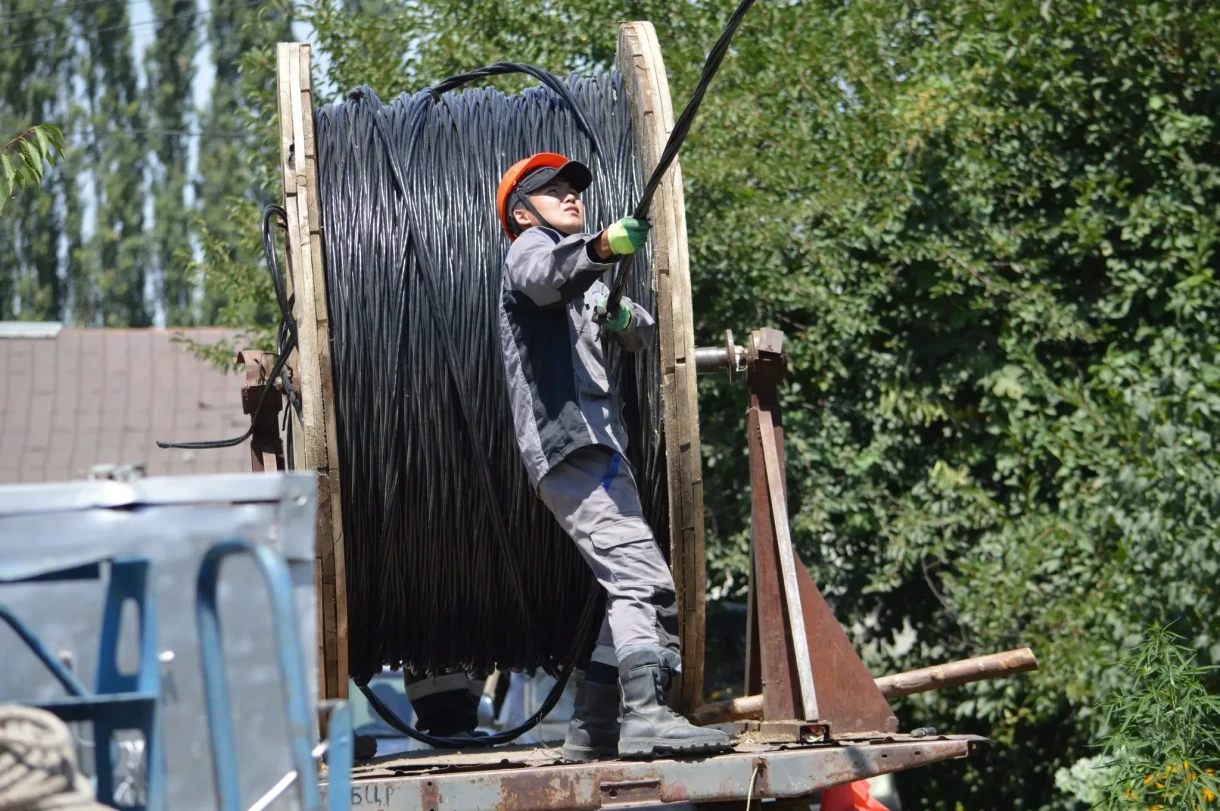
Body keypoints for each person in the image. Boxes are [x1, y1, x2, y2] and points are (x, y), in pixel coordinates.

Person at [495, 152, 732, 760]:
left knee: (636, 586)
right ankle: (647, 716)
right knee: (640, 578)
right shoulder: (529, 249)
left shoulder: (587, 283)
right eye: (555, 192)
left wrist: (626, 316)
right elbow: (544, 277)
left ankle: (594, 725)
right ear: (524, 213)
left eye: (576, 190)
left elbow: (645, 335)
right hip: (568, 446)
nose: (572, 196)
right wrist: (600, 247)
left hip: (600, 453)